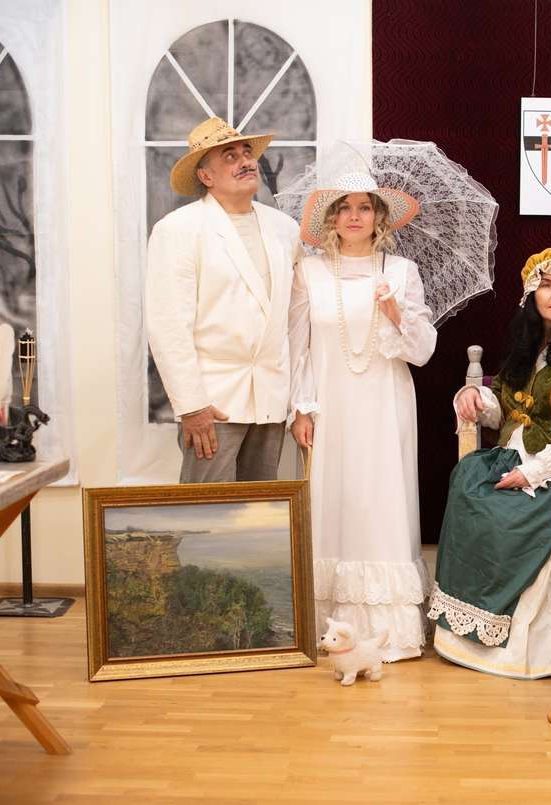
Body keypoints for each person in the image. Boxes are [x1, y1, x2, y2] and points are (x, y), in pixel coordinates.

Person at [428, 248, 551, 679]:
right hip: (516, 454)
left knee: (510, 520)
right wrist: (475, 397)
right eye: (545, 286)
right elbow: (505, 408)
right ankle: (467, 635)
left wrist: (530, 473)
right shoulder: (529, 345)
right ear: (531, 295)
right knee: (466, 489)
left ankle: (519, 647)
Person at [288, 171, 436, 661]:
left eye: (365, 207)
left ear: (379, 217)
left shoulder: (403, 270)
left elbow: (422, 352)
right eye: (345, 207)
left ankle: (386, 631)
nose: (355, 216)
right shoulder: (309, 271)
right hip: (329, 406)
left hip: (385, 406)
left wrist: (396, 312)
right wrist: (301, 407)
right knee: (332, 500)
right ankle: (325, 626)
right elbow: (297, 346)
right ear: (331, 218)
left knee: (380, 501)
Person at [146, 116, 302, 483]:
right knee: (207, 512)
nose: (245, 161)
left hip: (270, 396)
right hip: (212, 401)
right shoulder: (178, 230)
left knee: (261, 509)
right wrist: (191, 405)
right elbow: (168, 325)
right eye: (230, 156)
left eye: (247, 152)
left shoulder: (284, 229)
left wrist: (297, 399)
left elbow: (294, 318)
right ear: (205, 176)